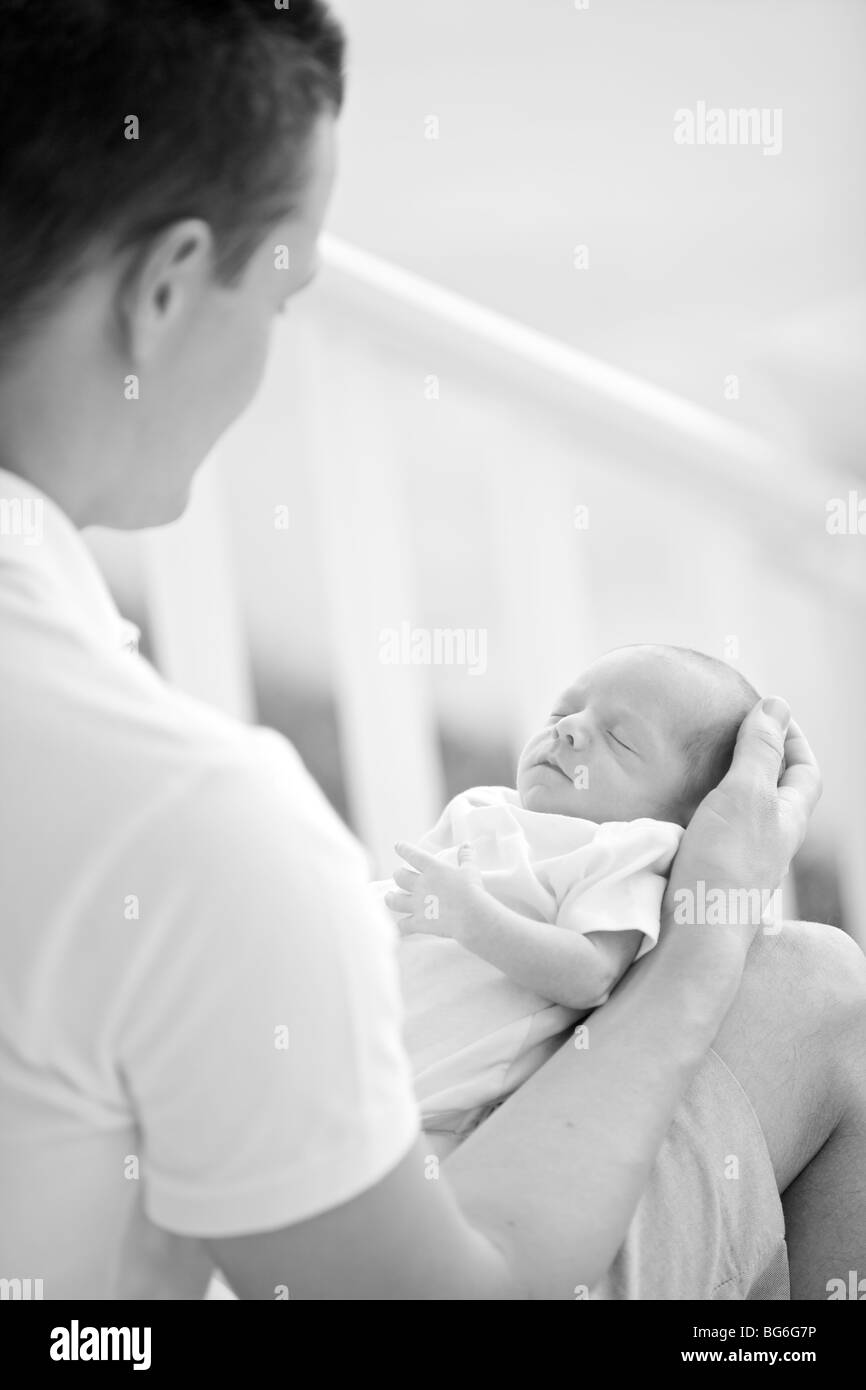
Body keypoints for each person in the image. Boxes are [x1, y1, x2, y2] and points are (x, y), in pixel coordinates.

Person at [0, 0, 862, 1301]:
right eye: (283, 293)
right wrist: (701, 945)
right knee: (815, 984)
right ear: (167, 288)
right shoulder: (188, 819)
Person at [382, 646, 761, 1156]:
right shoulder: (482, 807)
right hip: (357, 1040)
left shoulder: (624, 851)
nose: (569, 729)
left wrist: (474, 918)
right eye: (563, 713)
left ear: (681, 812)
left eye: (619, 740)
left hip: (434, 1111)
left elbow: (590, 974)